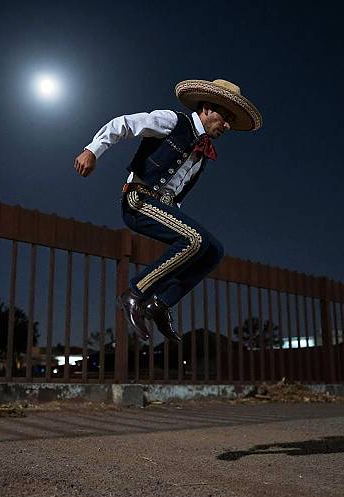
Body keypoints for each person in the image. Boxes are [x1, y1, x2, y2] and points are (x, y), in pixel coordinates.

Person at [74, 79, 262, 343]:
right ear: (207, 108)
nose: (228, 125)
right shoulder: (173, 121)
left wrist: (176, 222)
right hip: (138, 199)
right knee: (195, 238)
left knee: (212, 250)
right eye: (226, 117)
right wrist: (92, 150)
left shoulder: (203, 155)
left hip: (161, 208)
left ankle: (160, 304)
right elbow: (124, 124)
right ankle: (135, 293)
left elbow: (177, 194)